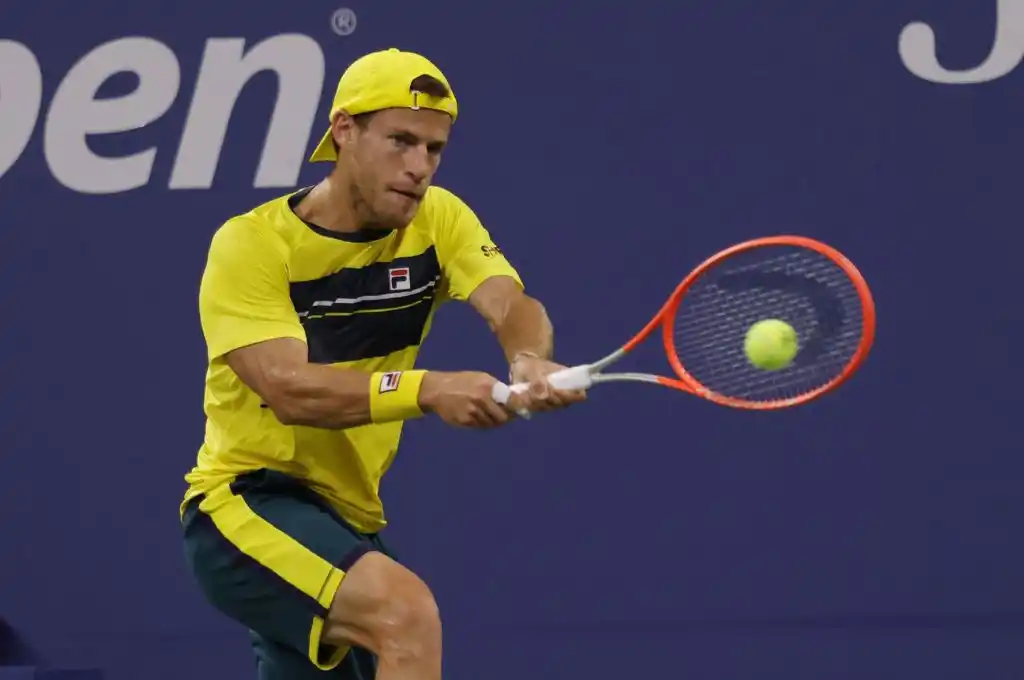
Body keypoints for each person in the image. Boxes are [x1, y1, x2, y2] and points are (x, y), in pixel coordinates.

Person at [180, 47, 585, 680]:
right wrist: (425, 390)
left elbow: (509, 303)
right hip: (246, 505)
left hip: (348, 519)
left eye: (434, 149)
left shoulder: (439, 219)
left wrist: (529, 357)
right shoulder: (252, 244)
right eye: (400, 141)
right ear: (345, 131)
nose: (418, 167)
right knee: (404, 613)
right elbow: (287, 389)